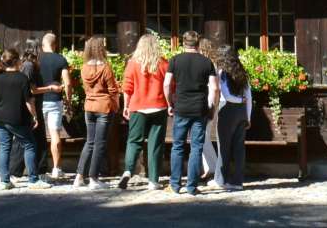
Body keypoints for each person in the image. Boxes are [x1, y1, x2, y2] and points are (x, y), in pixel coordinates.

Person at [163, 30, 219, 196]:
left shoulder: (175, 60)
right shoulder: (206, 62)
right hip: (199, 109)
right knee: (196, 147)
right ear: (198, 43)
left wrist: (170, 103)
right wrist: (213, 108)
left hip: (181, 107)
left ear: (183, 42)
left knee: (178, 146)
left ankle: (174, 184)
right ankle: (192, 186)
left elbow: (166, 84)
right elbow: (215, 88)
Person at [0, 48, 52, 191]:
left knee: (4, 147)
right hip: (16, 118)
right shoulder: (22, 78)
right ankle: (33, 180)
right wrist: (35, 116)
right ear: (17, 61)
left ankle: (5, 181)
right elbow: (29, 101)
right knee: (29, 145)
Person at [118, 33, 170, 192]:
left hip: (138, 106)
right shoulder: (163, 63)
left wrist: (126, 106)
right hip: (159, 106)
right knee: (155, 144)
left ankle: (128, 170)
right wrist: (170, 103)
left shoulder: (133, 63)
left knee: (134, 141)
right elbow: (170, 85)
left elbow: (127, 87)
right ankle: (153, 180)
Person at [73, 35, 120, 190]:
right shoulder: (105, 67)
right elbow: (113, 90)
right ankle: (93, 179)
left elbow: (86, 88)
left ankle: (79, 176)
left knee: (90, 141)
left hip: (89, 106)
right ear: (101, 48)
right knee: (100, 144)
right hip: (103, 107)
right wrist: (116, 105)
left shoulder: (84, 67)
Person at [9, 38, 49, 180]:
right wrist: (51, 88)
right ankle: (13, 171)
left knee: (39, 140)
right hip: (30, 107)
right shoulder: (28, 66)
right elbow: (30, 90)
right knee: (23, 141)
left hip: (35, 106)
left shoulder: (31, 65)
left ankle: (40, 171)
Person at [216, 45, 252, 191]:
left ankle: (222, 180)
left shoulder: (223, 73)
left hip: (228, 112)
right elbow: (249, 96)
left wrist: (238, 101)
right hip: (241, 113)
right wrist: (248, 116)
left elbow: (227, 95)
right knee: (239, 148)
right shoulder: (242, 72)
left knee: (224, 147)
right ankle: (238, 182)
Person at [39, 32, 72, 179]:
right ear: (55, 44)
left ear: (43, 45)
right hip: (54, 100)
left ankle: (37, 167)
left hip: (39, 100)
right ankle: (56, 168)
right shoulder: (60, 59)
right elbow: (68, 83)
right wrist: (68, 100)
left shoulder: (37, 60)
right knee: (55, 135)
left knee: (37, 134)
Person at [199, 37, 223, 186]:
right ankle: (210, 166)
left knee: (202, 135)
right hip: (213, 101)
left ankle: (212, 166)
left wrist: (212, 106)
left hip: (209, 101)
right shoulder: (214, 64)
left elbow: (213, 87)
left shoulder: (208, 65)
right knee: (203, 135)